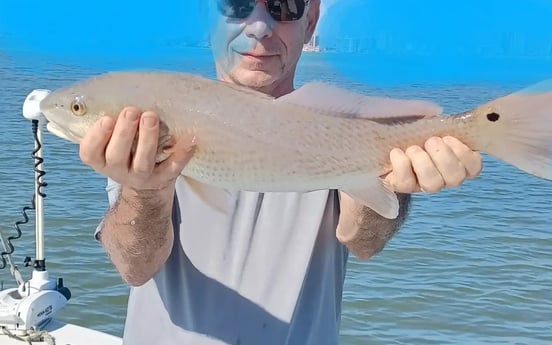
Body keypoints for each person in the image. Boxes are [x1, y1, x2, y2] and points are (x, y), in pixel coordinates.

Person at [79, 0, 482, 344]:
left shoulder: (340, 127)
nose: (259, 27)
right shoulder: (153, 123)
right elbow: (135, 266)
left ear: (311, 20)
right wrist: (144, 190)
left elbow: (362, 241)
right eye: (236, 5)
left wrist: (397, 180)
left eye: (283, 6)